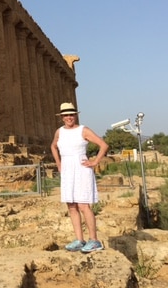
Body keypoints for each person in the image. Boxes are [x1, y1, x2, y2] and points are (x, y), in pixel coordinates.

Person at [50, 102, 109, 253]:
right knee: (71, 205)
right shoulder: (59, 132)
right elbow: (53, 146)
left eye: (71, 114)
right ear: (62, 117)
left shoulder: (84, 130)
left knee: (83, 205)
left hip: (82, 169)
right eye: (66, 115)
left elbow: (103, 145)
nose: (69, 117)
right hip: (67, 170)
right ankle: (79, 240)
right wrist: (58, 164)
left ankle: (94, 240)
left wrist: (95, 161)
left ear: (75, 115)